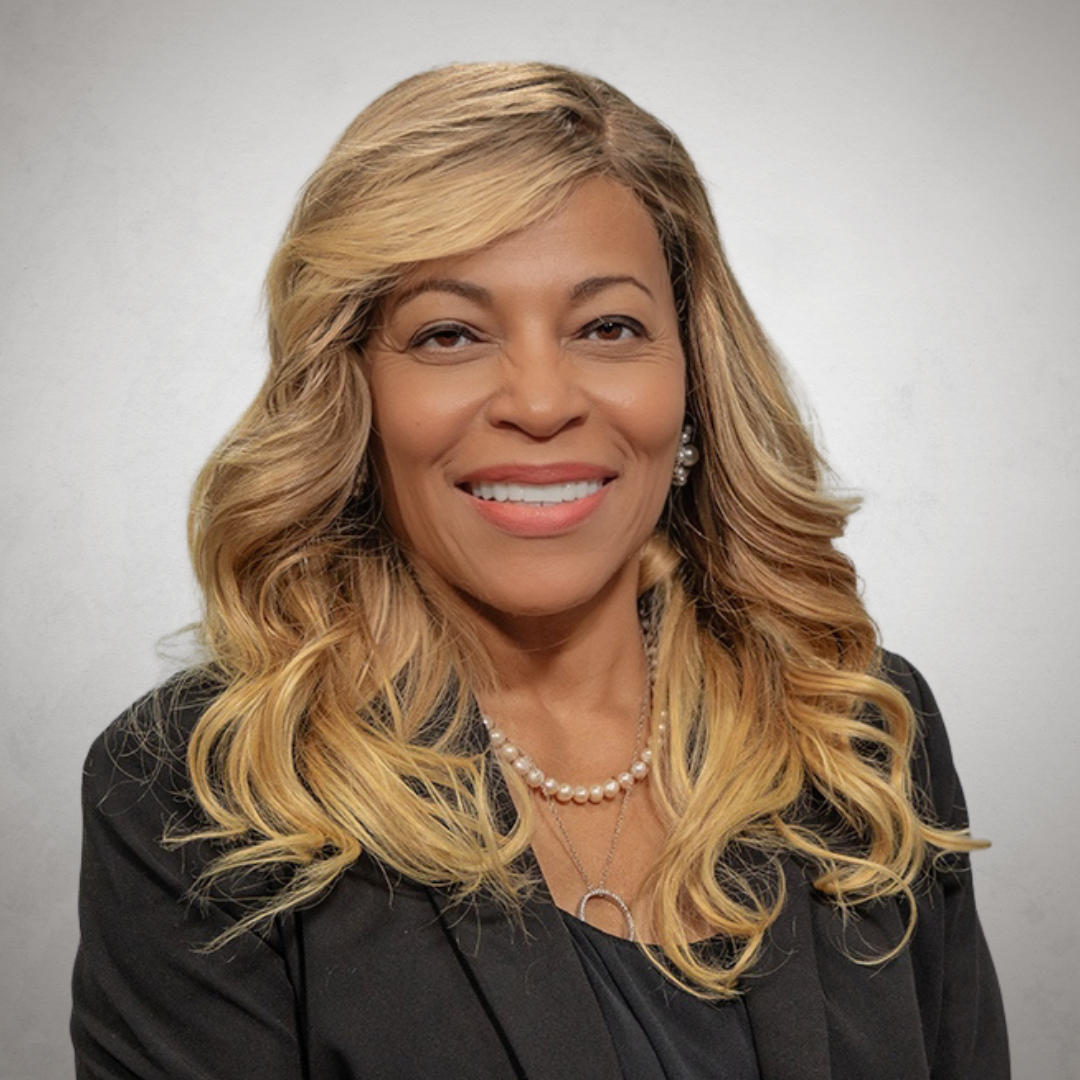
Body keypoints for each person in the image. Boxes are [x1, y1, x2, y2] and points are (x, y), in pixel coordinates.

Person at [71, 62, 1008, 1079]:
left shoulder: (856, 735)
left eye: (608, 327)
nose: (541, 400)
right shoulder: (199, 791)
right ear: (352, 393)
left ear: (691, 379)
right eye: (449, 334)